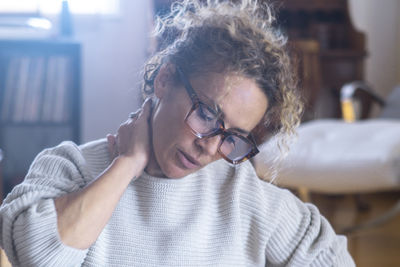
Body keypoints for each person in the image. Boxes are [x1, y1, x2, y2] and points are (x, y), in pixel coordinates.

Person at [0, 0, 355, 266]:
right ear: (164, 80)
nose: (211, 147)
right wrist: (127, 163)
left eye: (233, 136)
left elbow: (330, 256)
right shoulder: (70, 166)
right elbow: (37, 257)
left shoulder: (241, 192)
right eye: (205, 114)